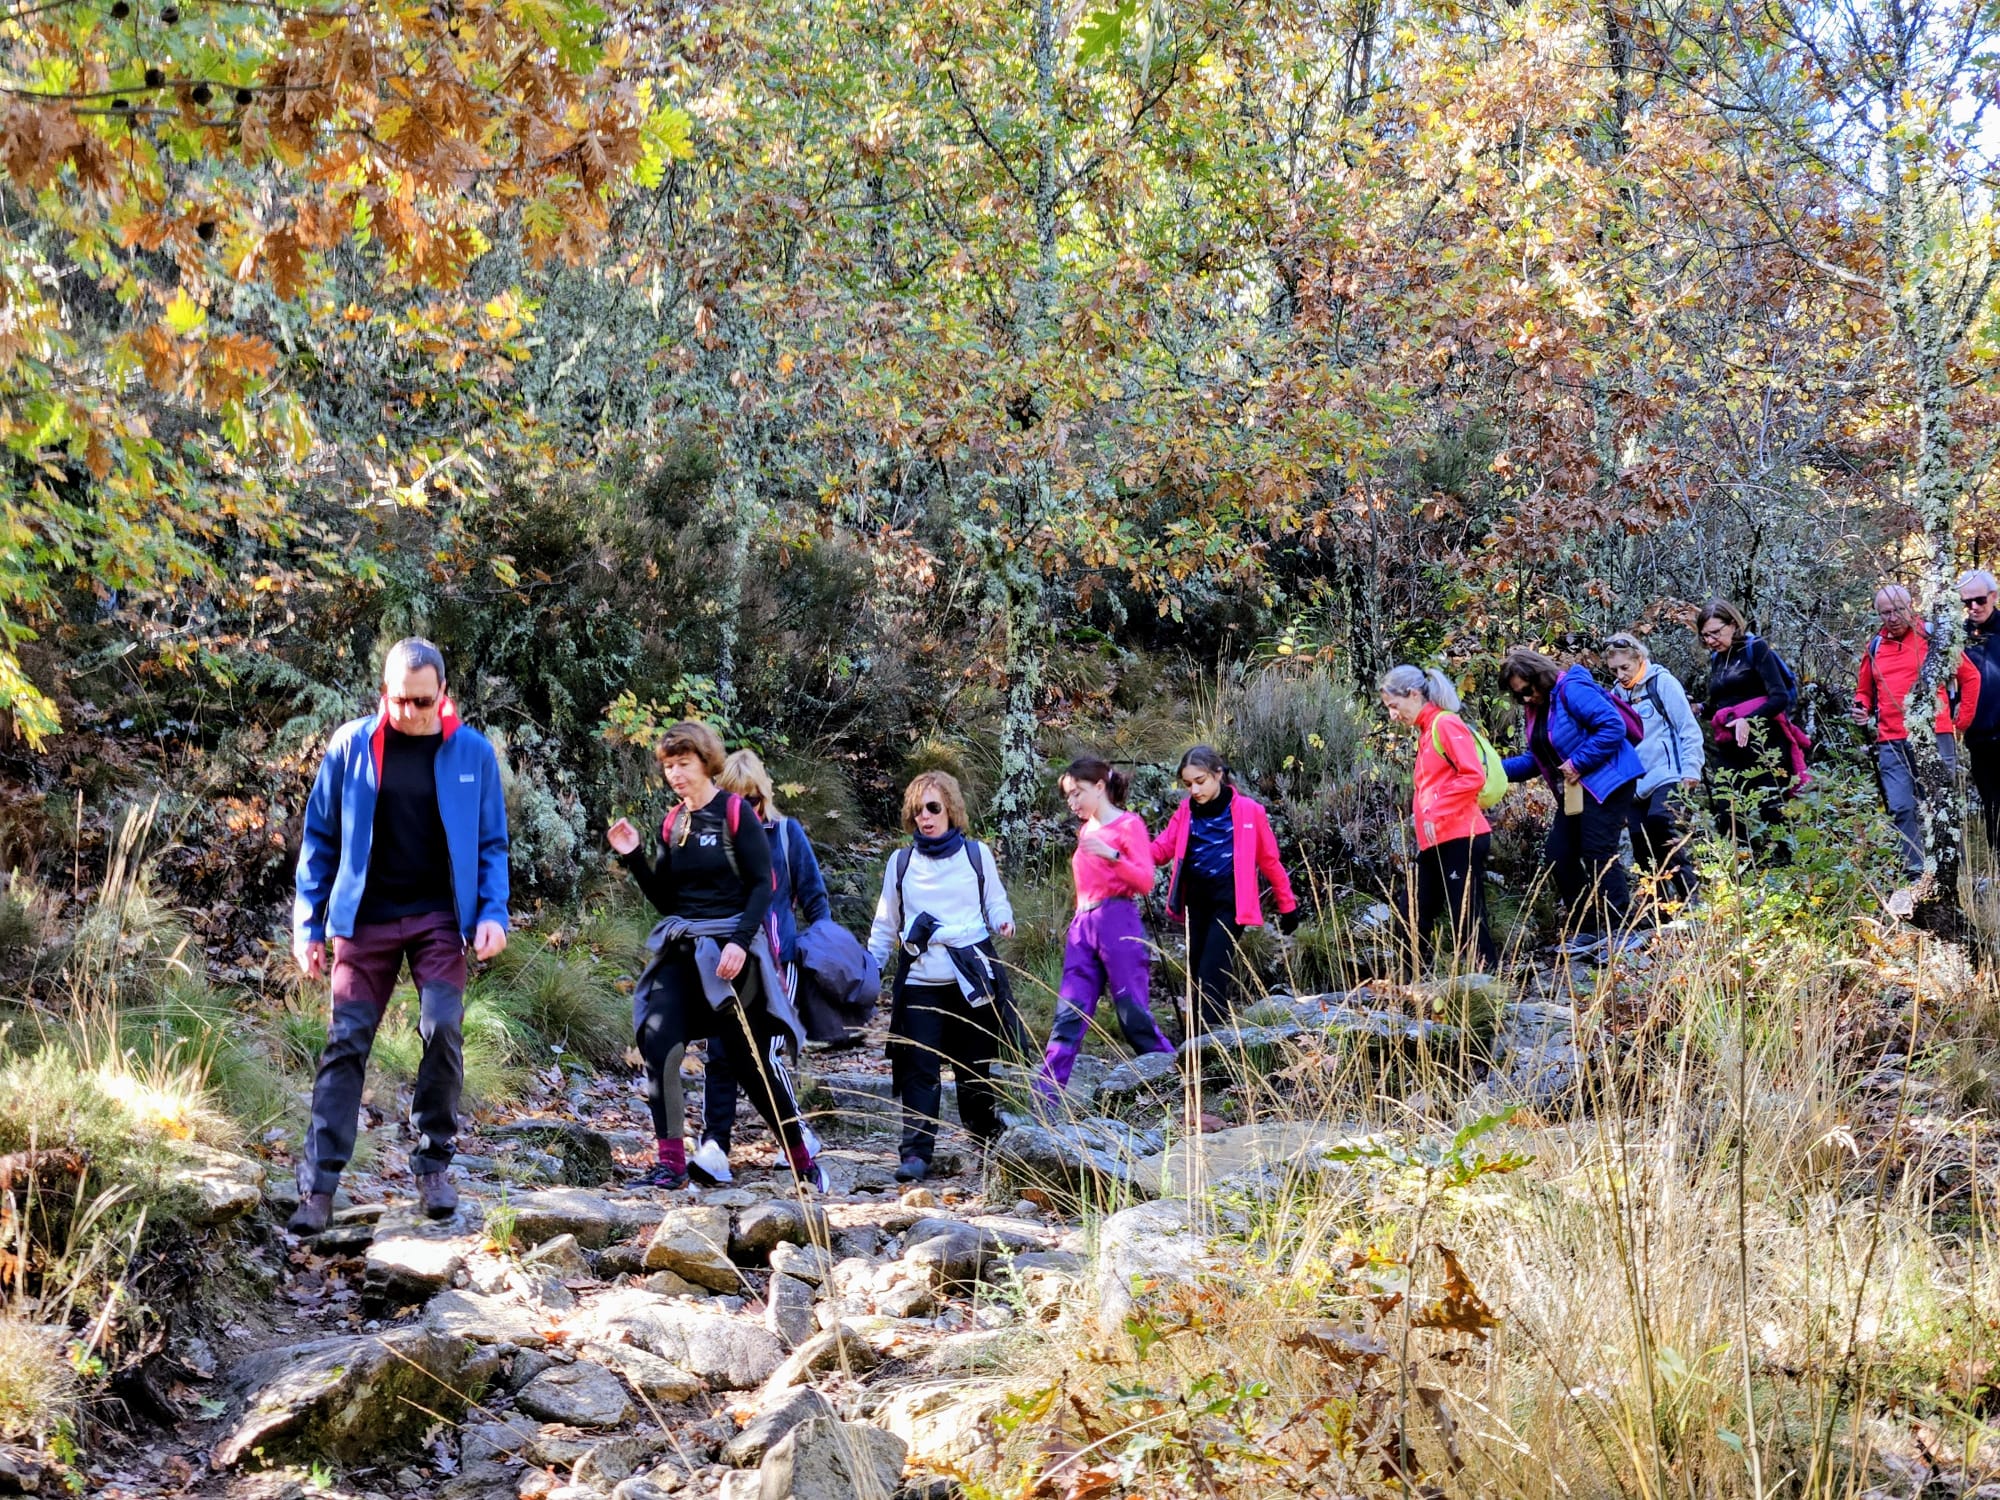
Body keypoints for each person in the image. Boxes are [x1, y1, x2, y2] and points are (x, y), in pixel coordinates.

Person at [289, 638, 510, 1235]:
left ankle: (434, 1164)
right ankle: (317, 1187)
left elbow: (492, 843)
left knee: (442, 1027)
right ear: (383, 693)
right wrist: (308, 923)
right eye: (399, 700)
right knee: (347, 1041)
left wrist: (493, 912)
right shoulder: (351, 746)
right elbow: (319, 839)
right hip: (365, 918)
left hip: (439, 916)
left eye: (422, 702)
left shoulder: (473, 752)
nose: (410, 712)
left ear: (444, 695)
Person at [607, 721, 828, 1192]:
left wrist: (739, 942)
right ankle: (671, 1165)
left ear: (706, 763)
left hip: (731, 953)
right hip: (683, 948)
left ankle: (801, 1159)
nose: (675, 774)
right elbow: (668, 901)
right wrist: (635, 856)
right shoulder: (673, 822)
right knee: (659, 1041)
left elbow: (762, 885)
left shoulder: (734, 811)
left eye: (683, 764)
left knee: (750, 1064)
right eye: (668, 766)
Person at [692, 749, 838, 1187]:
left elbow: (815, 899)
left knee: (766, 1051)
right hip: (723, 963)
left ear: (764, 797)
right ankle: (715, 1146)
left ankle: (795, 1134)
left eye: (753, 801)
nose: (747, 811)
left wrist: (820, 950)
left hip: (777, 962)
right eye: (736, 802)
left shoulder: (786, 835)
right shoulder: (711, 840)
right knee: (721, 1051)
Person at [866, 771, 1019, 1184]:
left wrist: (1003, 921)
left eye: (933, 808)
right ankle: (916, 1154)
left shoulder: (976, 855)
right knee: (918, 1069)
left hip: (971, 980)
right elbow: (886, 924)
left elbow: (995, 902)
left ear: (950, 808)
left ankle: (988, 1145)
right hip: (920, 981)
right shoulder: (900, 863)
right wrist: (870, 969)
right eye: (917, 810)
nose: (925, 817)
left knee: (974, 1070)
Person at [1035, 757, 1175, 1108]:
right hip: (1082, 927)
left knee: (1132, 1015)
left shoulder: (1129, 825)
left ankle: (1180, 1085)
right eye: (1068, 796)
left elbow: (1145, 880)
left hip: (1118, 922)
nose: (1072, 802)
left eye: (1078, 792)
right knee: (1069, 1013)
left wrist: (1112, 854)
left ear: (1100, 787)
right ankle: (1044, 1099)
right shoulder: (1086, 831)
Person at [1148, 746, 1303, 1034]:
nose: (1194, 790)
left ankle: (1212, 1042)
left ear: (1218, 774)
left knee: (1212, 968)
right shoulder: (1185, 811)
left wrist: (1288, 905)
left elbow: (1269, 860)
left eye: (1200, 781)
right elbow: (1161, 850)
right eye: (1188, 784)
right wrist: (1126, 848)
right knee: (1196, 967)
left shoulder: (1250, 811)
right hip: (1196, 901)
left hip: (1230, 902)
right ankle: (1197, 1039)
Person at [1499, 646, 1646, 944]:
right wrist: (1491, 771)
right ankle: (1588, 929)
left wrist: (1578, 762)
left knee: (1598, 852)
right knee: (1559, 853)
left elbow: (1612, 725)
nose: (1525, 698)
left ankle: (1621, 930)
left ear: (1539, 676)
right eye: (1518, 695)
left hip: (1610, 780)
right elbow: (1537, 759)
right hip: (1577, 789)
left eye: (1526, 690)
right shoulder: (1537, 707)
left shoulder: (1572, 688)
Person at [1851, 585, 1979, 877]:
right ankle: (1915, 874)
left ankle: (1953, 874)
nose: (1893, 618)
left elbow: (1970, 676)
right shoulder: (1875, 646)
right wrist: (1861, 707)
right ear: (1878, 614)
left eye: (1899, 610)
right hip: (1891, 740)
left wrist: (1961, 723)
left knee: (1940, 806)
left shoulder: (1933, 637)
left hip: (1934, 735)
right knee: (1901, 807)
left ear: (1912, 607)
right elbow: (1864, 690)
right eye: (1886, 612)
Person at [1379, 666, 1498, 970]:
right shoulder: (1426, 731)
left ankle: (1486, 982)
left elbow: (1473, 775)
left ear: (1413, 694)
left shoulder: (1445, 723)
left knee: (1466, 916)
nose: (1393, 715)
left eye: (1394, 706)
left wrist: (1435, 810)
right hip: (1436, 841)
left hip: (1462, 835)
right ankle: (1413, 982)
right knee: (1411, 912)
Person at [1602, 633, 1705, 904]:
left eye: (1625, 667)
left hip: (1670, 773)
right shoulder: (1616, 694)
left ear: (1639, 658)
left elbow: (1688, 727)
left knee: (1661, 825)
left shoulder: (1662, 683)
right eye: (1614, 670)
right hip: (1636, 783)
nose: (1621, 675)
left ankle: (1691, 898)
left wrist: (1692, 768)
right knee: (1640, 842)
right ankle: (1658, 909)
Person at [1697, 600, 1801, 856]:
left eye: (1715, 632)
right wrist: (1699, 708)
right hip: (1730, 747)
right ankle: (1741, 868)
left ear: (1733, 624)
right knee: (1727, 809)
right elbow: (1721, 705)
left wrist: (1749, 720)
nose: (1710, 640)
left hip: (1766, 743)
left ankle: (1791, 867)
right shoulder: (1717, 659)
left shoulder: (1756, 649)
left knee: (1772, 809)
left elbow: (1779, 698)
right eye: (1705, 636)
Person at [1959, 569, 2000, 852]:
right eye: (1967, 602)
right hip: (1979, 740)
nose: (1974, 607)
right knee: (1993, 807)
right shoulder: (1956, 638)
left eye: (1980, 600)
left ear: (1993, 596)